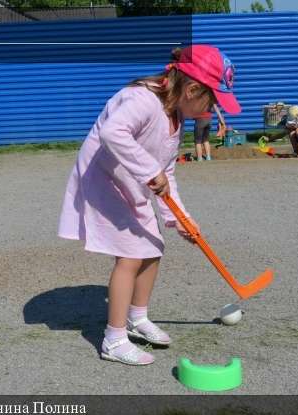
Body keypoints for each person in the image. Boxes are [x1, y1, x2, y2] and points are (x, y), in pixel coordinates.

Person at [58, 44, 241, 365]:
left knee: (153, 245)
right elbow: (113, 132)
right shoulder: (141, 99)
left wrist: (179, 217)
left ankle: (136, 318)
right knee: (131, 254)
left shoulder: (177, 116)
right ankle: (113, 340)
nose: (212, 107)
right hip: (103, 179)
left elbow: (165, 171)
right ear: (193, 88)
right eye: (211, 99)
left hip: (129, 179)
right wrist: (150, 171)